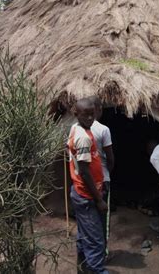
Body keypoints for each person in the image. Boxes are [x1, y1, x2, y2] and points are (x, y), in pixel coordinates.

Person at [67, 98, 108, 274]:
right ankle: (97, 270)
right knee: (96, 240)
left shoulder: (77, 128)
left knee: (85, 233)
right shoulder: (83, 137)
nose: (91, 117)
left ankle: (82, 268)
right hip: (86, 196)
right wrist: (99, 199)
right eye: (86, 114)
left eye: (93, 113)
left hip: (80, 193)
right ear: (76, 114)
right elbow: (84, 171)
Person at [87, 95, 114, 256]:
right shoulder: (103, 129)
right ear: (98, 109)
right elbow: (110, 158)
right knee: (102, 217)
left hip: (82, 182)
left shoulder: (74, 128)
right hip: (101, 180)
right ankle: (101, 252)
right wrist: (107, 172)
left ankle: (88, 252)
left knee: (87, 217)